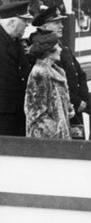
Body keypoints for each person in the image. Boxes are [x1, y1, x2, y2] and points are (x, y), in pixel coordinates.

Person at [31, 6, 89, 139]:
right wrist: (76, 102)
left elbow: (79, 74)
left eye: (61, 22)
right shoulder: (43, 51)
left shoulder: (62, 46)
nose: (61, 26)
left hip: (73, 110)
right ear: (44, 27)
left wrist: (83, 100)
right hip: (58, 116)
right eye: (56, 23)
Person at [25, 32, 74, 139]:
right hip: (45, 139)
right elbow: (35, 112)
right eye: (57, 47)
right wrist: (56, 129)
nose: (61, 50)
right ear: (48, 51)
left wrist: (68, 108)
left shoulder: (56, 71)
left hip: (58, 137)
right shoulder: (39, 73)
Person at [0, 1, 33, 136]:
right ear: (11, 22)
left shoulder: (16, 41)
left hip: (17, 111)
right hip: (3, 114)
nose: (27, 24)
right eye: (24, 20)